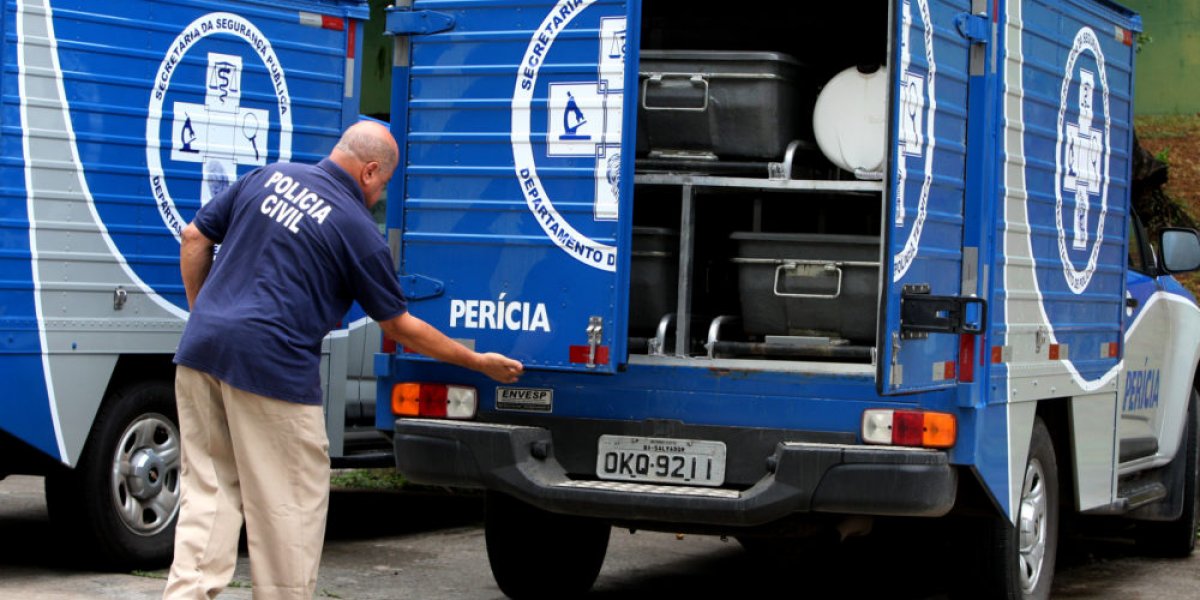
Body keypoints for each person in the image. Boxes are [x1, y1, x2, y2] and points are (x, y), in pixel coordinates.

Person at [163, 121, 524, 600]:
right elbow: (400, 326)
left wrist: (205, 314)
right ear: (370, 171)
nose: (378, 196)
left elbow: (193, 238)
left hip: (200, 354)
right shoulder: (357, 229)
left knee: (207, 497)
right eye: (384, 185)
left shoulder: (266, 176)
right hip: (274, 371)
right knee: (287, 508)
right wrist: (476, 362)